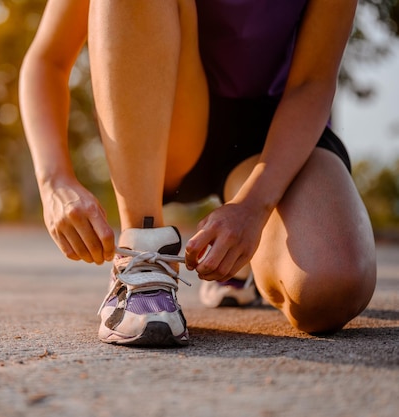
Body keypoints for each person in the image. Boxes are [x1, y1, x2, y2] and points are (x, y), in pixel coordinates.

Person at [19, 0, 377, 347]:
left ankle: (241, 260)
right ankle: (145, 263)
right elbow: (47, 60)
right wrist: (54, 180)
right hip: (169, 117)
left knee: (329, 288)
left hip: (274, 132)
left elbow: (311, 83)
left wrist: (254, 207)